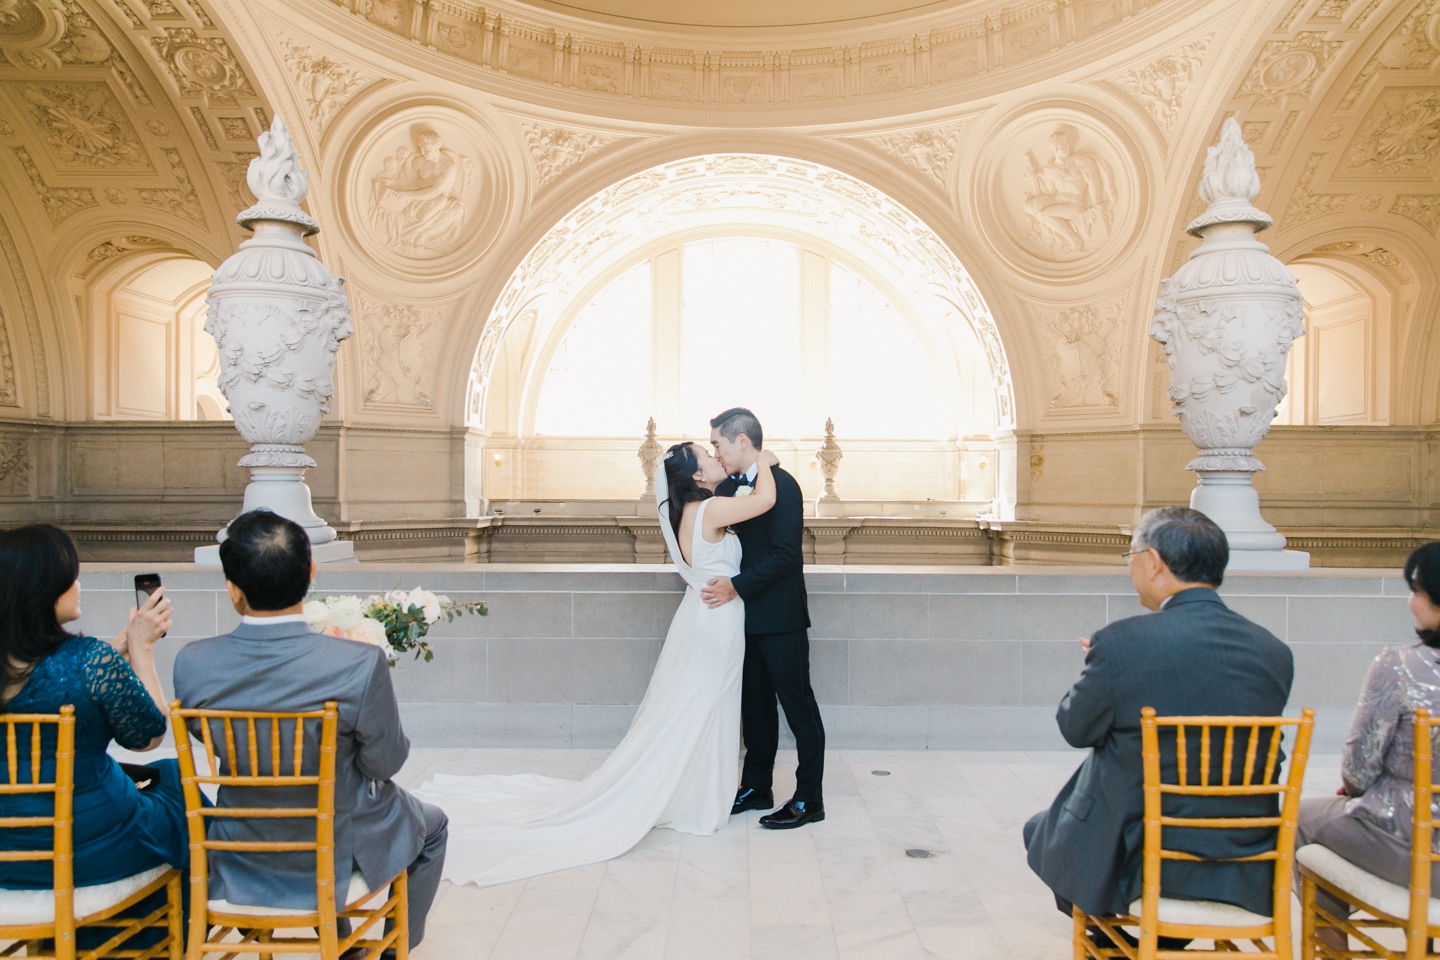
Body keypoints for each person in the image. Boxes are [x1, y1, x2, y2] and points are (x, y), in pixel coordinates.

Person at [413, 441, 779, 885]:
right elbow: (766, 500)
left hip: (704, 616)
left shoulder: (691, 513)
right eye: (707, 455)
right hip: (715, 622)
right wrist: (764, 460)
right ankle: (691, 799)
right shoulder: (713, 509)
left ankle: (692, 792)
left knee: (696, 708)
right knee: (703, 708)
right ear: (697, 477)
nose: (716, 457)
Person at [172, 509, 447, 955]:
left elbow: (211, 740)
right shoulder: (357, 663)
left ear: (232, 588)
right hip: (334, 845)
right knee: (432, 826)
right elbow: (385, 762)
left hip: (241, 846)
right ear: (311, 571)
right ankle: (395, 951)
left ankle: (342, 944)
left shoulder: (193, 663)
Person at [1022, 506, 1294, 938]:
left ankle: (1115, 932)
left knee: (1041, 828)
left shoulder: (1121, 642)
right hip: (1243, 857)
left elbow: (1076, 729)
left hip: (1141, 855)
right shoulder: (1273, 651)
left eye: (1131, 555)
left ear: (1153, 562)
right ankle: (1157, 934)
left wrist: (1099, 671)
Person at [0, 524, 187, 927]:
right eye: (71, 576)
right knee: (178, 786)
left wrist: (111, 657)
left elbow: (46, 675)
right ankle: (177, 930)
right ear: (43, 588)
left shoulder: (89, 661)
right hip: (86, 844)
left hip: (6, 852)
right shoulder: (87, 661)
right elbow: (149, 737)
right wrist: (141, 648)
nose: (78, 586)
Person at [1296, 540, 1440, 955]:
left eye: (1418, 590)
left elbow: (1357, 773)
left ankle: (1333, 948)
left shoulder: (1400, 666)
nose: (1411, 602)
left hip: (1414, 847)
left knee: (1303, 820)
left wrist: (1362, 790)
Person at [701, 407, 827, 829]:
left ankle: (809, 799)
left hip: (781, 617)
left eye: (718, 443)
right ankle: (757, 787)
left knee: (798, 709)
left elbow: (786, 554)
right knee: (754, 709)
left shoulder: (785, 486)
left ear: (741, 440)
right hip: (745, 619)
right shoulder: (735, 485)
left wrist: (737, 585)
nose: (715, 452)